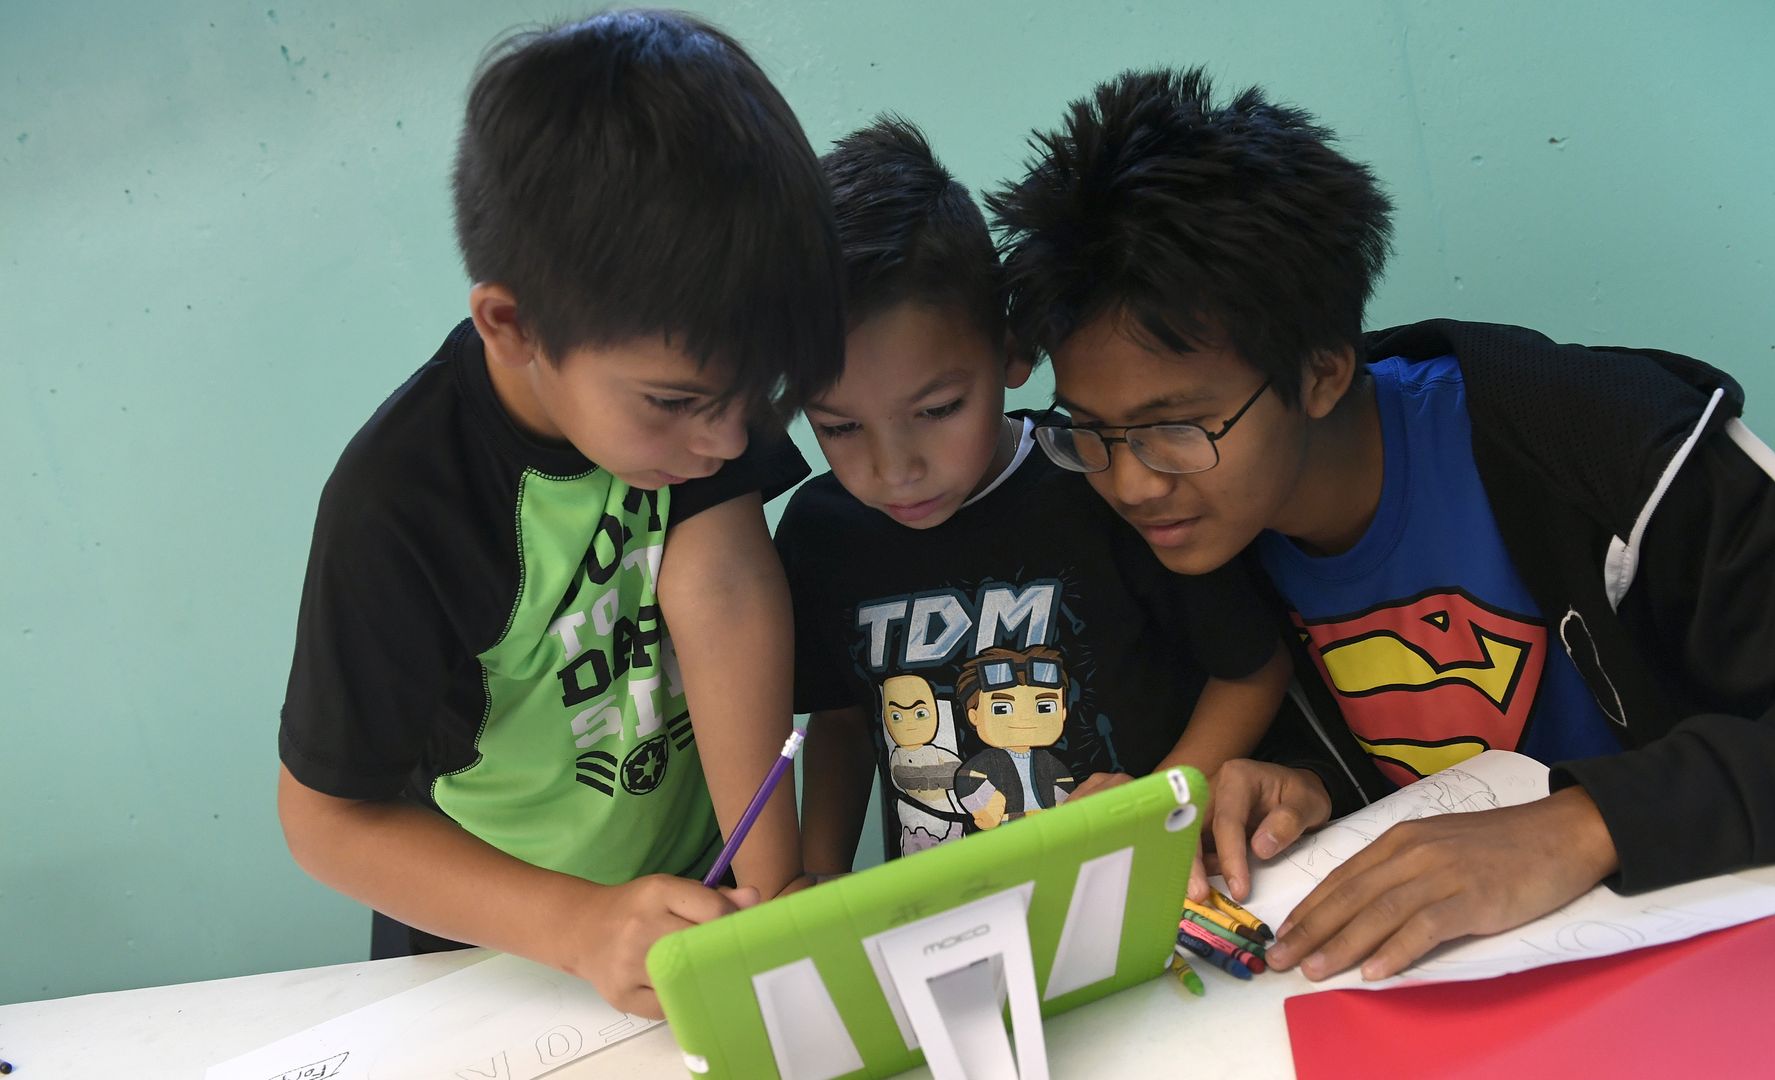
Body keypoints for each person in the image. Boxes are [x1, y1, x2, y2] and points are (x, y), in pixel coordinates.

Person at [989, 66, 1775, 982]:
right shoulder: (1203, 540)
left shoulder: (1581, 442)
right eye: (1092, 431)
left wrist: (1582, 825)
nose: (1131, 482)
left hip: (1756, 953)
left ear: (1321, 371)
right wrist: (1306, 786)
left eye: (1176, 429)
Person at [275, 10, 842, 1016]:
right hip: (496, 945)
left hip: (689, 897)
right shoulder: (402, 501)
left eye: (749, 396)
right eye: (678, 405)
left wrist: (771, 895)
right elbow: (325, 819)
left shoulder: (699, 378)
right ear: (512, 324)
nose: (725, 441)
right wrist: (577, 927)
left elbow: (722, 592)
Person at [777, 117, 1301, 874]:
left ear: (1013, 348)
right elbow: (841, 720)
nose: (895, 469)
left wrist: (1157, 805)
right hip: (955, 917)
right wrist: (816, 885)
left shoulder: (1105, 478)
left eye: (937, 411)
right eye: (839, 426)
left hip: (1146, 885)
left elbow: (1252, 667)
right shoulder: (820, 534)